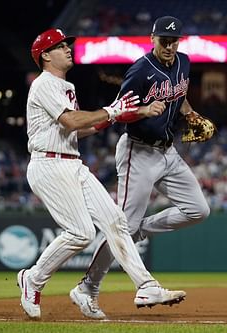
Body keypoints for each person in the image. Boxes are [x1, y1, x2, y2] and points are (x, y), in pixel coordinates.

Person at [16, 28, 186, 320]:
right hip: (49, 164)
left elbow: (79, 130)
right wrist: (110, 110)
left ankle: (146, 286)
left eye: (69, 44)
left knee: (116, 221)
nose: (69, 48)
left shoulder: (65, 86)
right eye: (61, 45)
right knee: (80, 233)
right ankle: (33, 279)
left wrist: (116, 115)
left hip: (71, 162)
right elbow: (70, 120)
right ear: (45, 55)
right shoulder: (44, 84)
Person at [70, 16, 211, 318]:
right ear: (152, 38)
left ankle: (141, 230)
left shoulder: (184, 62)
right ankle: (87, 287)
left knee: (198, 210)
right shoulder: (140, 71)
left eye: (174, 40)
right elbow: (117, 113)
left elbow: (180, 95)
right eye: (164, 40)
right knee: (122, 224)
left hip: (168, 152)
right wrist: (144, 110)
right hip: (139, 152)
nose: (170, 46)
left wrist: (190, 114)